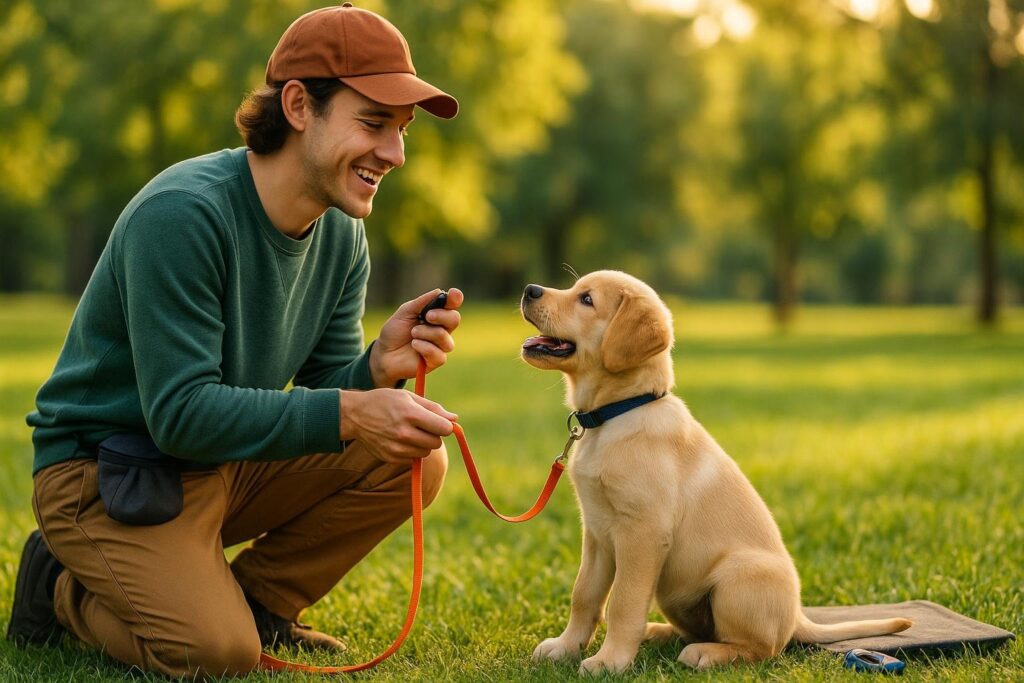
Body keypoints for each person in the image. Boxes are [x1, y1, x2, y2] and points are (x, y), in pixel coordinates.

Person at [6, 4, 462, 677]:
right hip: (107, 472)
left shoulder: (341, 232)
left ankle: (261, 602)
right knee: (215, 653)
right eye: (373, 124)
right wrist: (354, 409)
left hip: (214, 462)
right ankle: (60, 584)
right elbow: (181, 413)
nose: (393, 154)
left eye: (400, 131)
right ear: (300, 105)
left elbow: (317, 392)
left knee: (414, 462)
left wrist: (372, 367)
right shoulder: (184, 214)